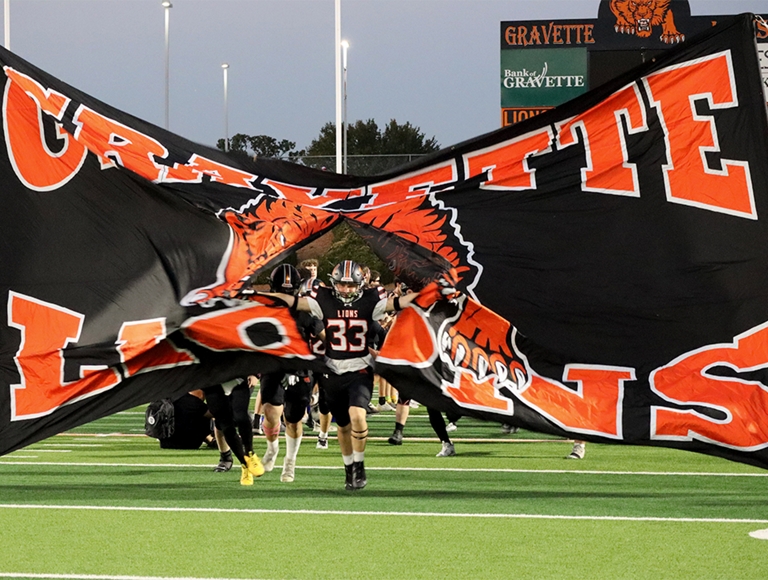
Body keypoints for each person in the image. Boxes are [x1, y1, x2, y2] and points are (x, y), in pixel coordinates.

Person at [262, 260, 426, 491]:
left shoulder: (370, 301)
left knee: (358, 415)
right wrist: (254, 295)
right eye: (341, 285)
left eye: (350, 285)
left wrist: (430, 294)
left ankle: (359, 465)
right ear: (334, 283)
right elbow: (293, 301)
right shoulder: (323, 299)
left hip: (359, 369)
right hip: (333, 371)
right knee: (343, 425)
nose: (346, 290)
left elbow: (398, 302)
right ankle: (349, 467)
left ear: (360, 285)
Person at [258, 264, 325, 483]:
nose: (285, 295)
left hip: (299, 369)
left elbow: (326, 337)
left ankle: (290, 462)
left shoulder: (305, 309)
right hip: (273, 366)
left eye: (289, 291)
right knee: (270, 413)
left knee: (294, 421)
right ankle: (272, 448)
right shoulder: (264, 307)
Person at [203, 379, 265, 485]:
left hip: (236, 377)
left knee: (240, 416)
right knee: (226, 426)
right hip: (212, 381)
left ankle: (250, 453)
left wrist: (254, 373)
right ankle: (245, 464)